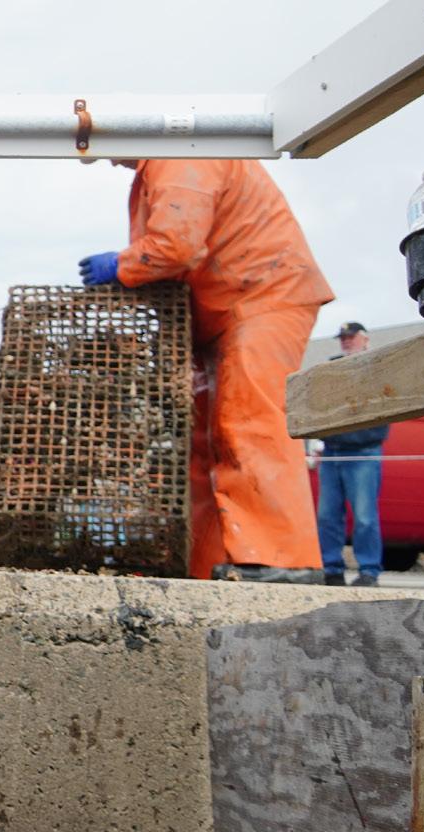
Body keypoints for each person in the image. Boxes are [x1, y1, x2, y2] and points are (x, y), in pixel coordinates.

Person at [77, 159, 334, 583]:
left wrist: (121, 265)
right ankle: (211, 563)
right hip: (218, 312)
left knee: (251, 423)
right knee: (203, 441)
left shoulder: (180, 152)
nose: (107, 158)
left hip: (263, 295)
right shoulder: (152, 170)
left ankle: (282, 561)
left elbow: (177, 245)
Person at [313, 322, 387, 587]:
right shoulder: (330, 371)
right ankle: (331, 568)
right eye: (343, 338)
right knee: (327, 516)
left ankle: (369, 570)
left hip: (363, 452)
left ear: (365, 339)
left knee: (365, 516)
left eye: (351, 337)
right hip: (333, 452)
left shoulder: (378, 368)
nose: (346, 341)